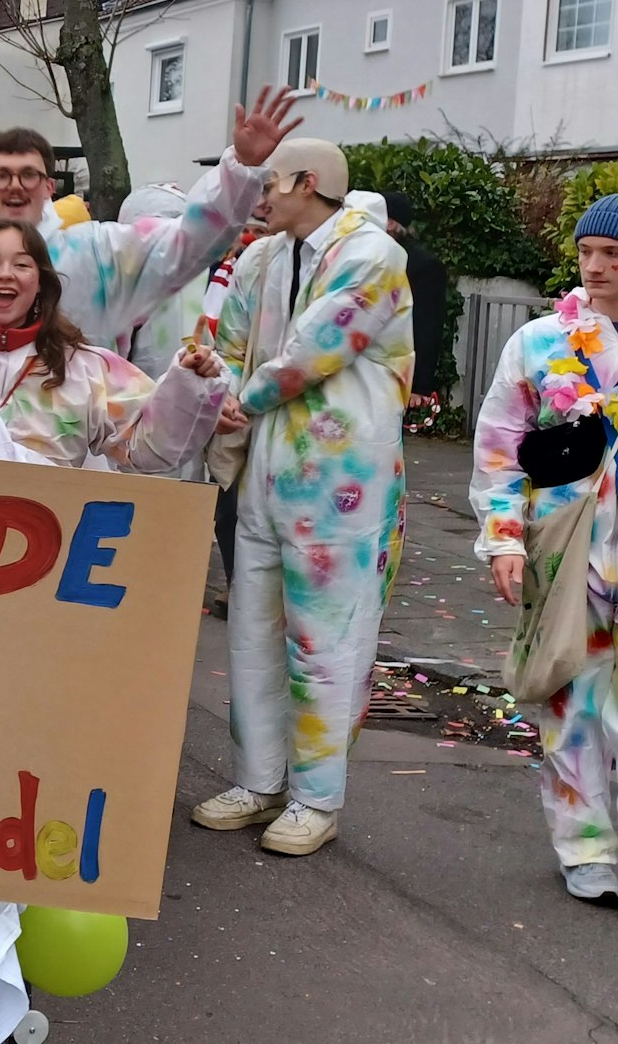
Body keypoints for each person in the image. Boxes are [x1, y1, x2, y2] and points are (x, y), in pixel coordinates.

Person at [0, 6, 293, 360]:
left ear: (50, 185)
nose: (15, 186)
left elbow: (189, 245)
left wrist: (239, 171)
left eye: (29, 174)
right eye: (1, 176)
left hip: (71, 461)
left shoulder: (97, 254)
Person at [194, 138, 412, 857]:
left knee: (327, 638)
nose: (258, 196)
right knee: (252, 631)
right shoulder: (262, 256)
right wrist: (213, 381)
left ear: (307, 182)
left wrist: (241, 399)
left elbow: (318, 347)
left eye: (269, 182)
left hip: (341, 482)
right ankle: (258, 781)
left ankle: (317, 796)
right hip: (263, 469)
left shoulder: (373, 254)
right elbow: (230, 342)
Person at [469, 193, 618, 903]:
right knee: (570, 698)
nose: (595, 267)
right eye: (587, 252)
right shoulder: (538, 343)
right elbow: (499, 445)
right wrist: (504, 537)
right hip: (570, 554)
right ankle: (585, 846)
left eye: (612, 255)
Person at [0, 219, 225, 473]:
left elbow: (149, 451)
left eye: (21, 264)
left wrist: (189, 382)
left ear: (40, 285)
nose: (5, 273)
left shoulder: (87, 368)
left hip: (50, 553)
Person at [384, 192, 447, 407]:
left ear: (391, 223)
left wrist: (419, 385)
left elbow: (427, 326)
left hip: (396, 373)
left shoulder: (424, 265)